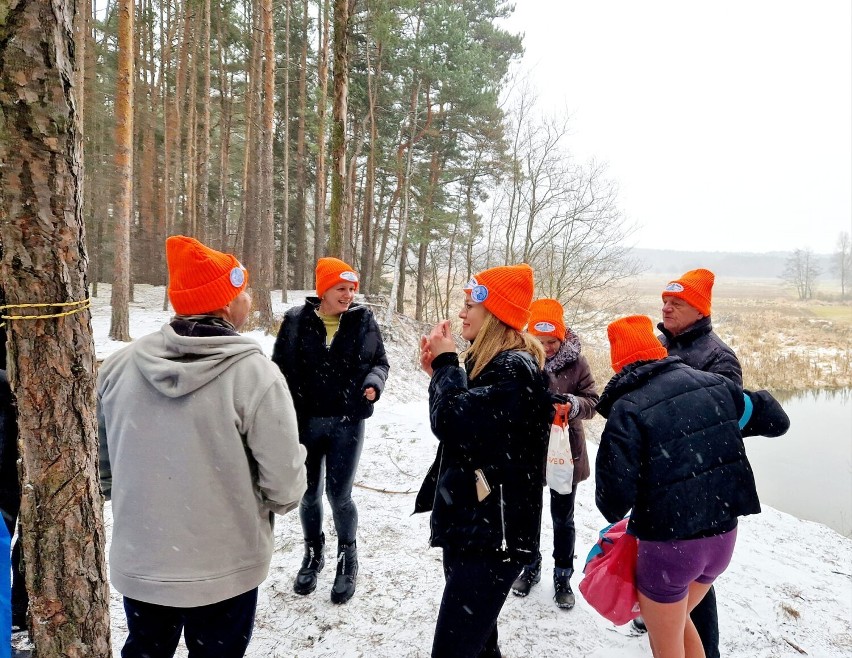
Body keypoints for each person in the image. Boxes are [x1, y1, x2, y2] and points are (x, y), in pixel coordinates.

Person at [98, 236, 307, 658]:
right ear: (227, 304)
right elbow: (285, 484)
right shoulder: (255, 375)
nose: (249, 297)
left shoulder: (119, 366)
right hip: (225, 568)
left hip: (144, 563)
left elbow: (102, 467)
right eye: (243, 289)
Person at [595, 315, 761, 658]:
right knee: (680, 623)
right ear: (658, 350)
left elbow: (612, 502)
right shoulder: (713, 383)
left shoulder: (627, 408)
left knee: (665, 647)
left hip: (670, 548)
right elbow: (772, 414)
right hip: (722, 539)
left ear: (619, 362)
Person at [414, 264, 553, 658]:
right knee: (479, 646)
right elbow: (463, 429)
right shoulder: (488, 362)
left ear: (495, 312)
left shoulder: (515, 370)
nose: (461, 313)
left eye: (469, 303)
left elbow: (451, 421)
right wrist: (439, 374)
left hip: (494, 540)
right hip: (473, 526)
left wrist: (445, 367)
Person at [271, 257, 389, 604]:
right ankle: (313, 553)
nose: (349, 295)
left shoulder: (363, 320)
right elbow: (279, 369)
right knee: (308, 494)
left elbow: (380, 362)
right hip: (305, 423)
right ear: (323, 289)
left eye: (352, 289)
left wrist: (373, 383)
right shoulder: (295, 320)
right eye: (342, 288)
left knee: (339, 496)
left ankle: (346, 557)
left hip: (347, 423)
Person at [651, 268, 740, 654]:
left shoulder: (718, 358)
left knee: (697, 577)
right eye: (665, 302)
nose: (667, 308)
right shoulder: (659, 346)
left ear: (699, 310)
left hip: (700, 487)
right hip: (659, 478)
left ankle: (707, 649)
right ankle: (665, 625)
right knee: (672, 572)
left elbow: (730, 422)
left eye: (677, 303)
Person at [511, 298, 599, 610]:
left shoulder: (578, 363)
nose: (547, 348)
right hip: (528, 450)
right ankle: (530, 565)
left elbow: (592, 400)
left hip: (565, 452)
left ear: (562, 338)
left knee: (563, 518)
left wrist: (572, 405)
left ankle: (563, 576)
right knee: (527, 513)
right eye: (540, 341)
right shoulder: (518, 358)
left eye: (552, 341)